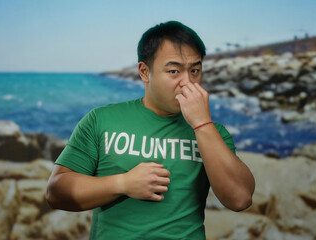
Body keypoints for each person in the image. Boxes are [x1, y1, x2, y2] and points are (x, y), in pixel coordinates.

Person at [46, 21, 255, 239]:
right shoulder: (101, 119)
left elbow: (240, 199)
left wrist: (202, 123)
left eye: (195, 70)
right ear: (145, 72)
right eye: (174, 71)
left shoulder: (214, 133)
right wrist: (123, 183)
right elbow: (56, 192)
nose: (188, 82)